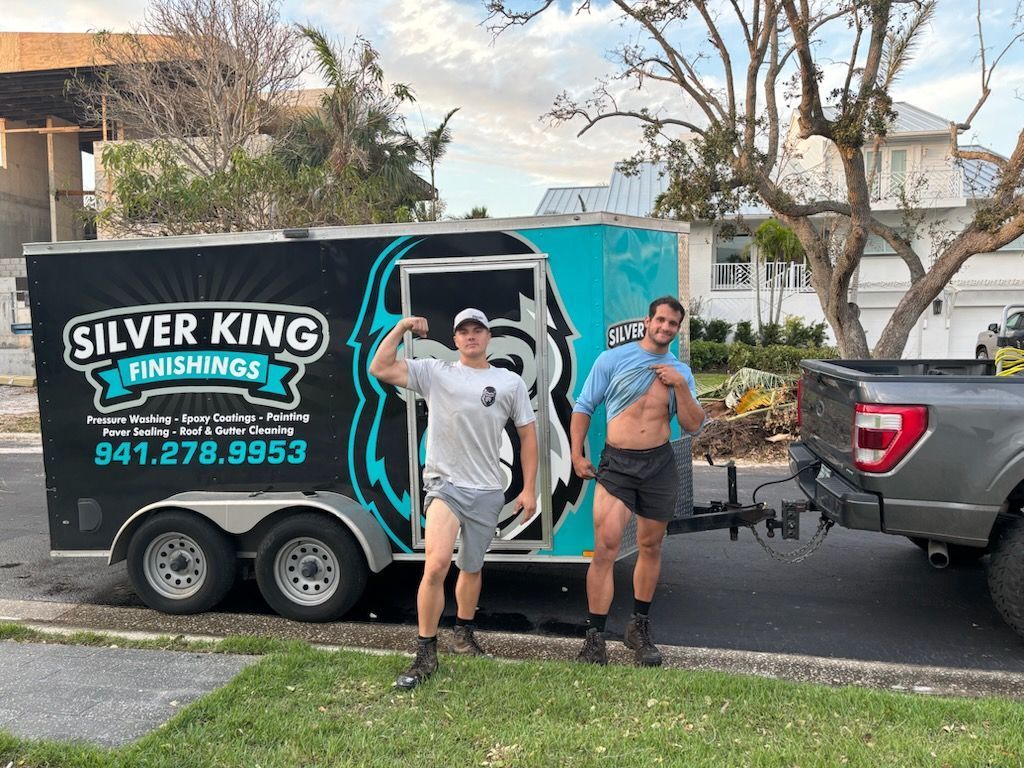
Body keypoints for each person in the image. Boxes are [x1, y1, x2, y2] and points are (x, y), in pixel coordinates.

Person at [369, 307, 538, 690]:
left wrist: (530, 489)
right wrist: (401, 327)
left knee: (472, 566)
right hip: (445, 486)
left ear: (488, 337)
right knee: (436, 565)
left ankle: (463, 634)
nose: (471, 336)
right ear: (455, 339)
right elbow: (380, 367)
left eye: (478, 329)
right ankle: (426, 651)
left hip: (488, 490)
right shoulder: (435, 372)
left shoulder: (508, 382)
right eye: (463, 331)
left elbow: (528, 435)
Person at [570, 296, 705, 666]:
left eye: (672, 324)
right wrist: (576, 454)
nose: (665, 328)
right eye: (660, 320)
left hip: (658, 463)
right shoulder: (612, 360)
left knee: (651, 546)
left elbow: (694, 425)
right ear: (648, 321)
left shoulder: (680, 371)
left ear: (678, 329)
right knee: (606, 548)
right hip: (619, 464)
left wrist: (679, 385)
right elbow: (584, 406)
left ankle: (638, 628)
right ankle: (594, 638)